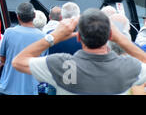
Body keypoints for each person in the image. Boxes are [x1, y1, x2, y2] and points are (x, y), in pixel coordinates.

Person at [12, 8, 146, 95]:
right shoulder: (128, 67)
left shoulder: (63, 65)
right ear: (110, 36)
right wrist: (121, 39)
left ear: (79, 36)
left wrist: (54, 36)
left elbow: (18, 62)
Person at [0, 2, 47, 95]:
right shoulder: (43, 37)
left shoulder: (9, 33)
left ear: (18, 17)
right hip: (30, 90)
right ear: (34, 16)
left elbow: (2, 58)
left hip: (8, 87)